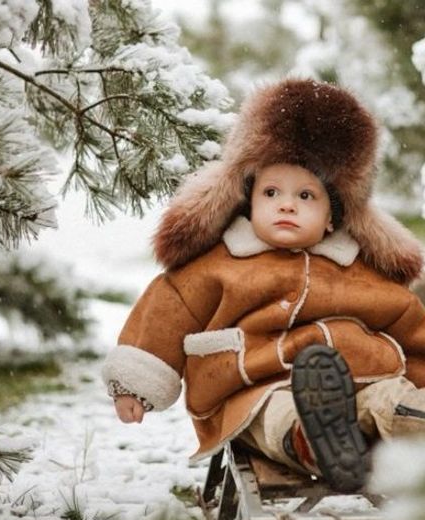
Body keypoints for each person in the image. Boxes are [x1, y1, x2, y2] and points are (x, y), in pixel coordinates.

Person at [102, 78, 425, 493]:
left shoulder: (359, 273)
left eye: (306, 196)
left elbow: (412, 334)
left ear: (334, 217)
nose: (287, 204)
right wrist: (135, 385)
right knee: (280, 415)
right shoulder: (221, 265)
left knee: (391, 398)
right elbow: (166, 312)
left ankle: (413, 419)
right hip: (257, 388)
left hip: (365, 376)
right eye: (272, 192)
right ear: (249, 202)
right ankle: (317, 444)